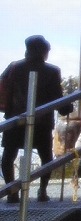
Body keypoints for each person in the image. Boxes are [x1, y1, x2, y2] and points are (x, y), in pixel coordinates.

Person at [1, 35, 72, 203]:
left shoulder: (14, 67)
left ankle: (12, 191)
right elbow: (57, 97)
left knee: (8, 156)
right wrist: (67, 108)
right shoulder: (52, 71)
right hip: (42, 122)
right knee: (46, 157)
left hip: (15, 120)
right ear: (44, 52)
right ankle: (42, 191)